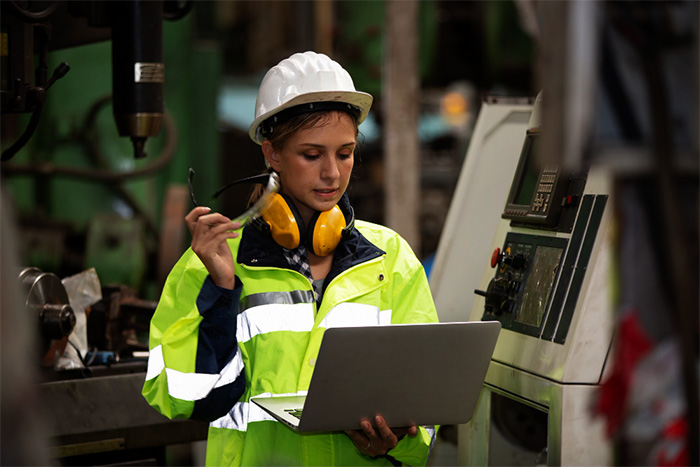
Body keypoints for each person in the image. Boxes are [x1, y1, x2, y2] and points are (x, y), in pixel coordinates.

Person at [142, 51, 440, 466]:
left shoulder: (390, 258)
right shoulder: (213, 261)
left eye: (345, 153)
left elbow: (427, 402)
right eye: (312, 155)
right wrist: (222, 293)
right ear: (272, 154)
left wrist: (394, 442)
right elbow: (184, 398)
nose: (332, 173)